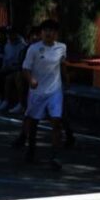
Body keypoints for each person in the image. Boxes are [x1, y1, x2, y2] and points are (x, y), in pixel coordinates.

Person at [20, 19, 67, 170]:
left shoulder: (61, 48)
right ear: (41, 32)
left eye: (52, 31)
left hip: (55, 90)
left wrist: (67, 79)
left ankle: (55, 156)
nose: (48, 33)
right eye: (46, 30)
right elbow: (25, 69)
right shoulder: (33, 49)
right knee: (34, 121)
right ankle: (31, 149)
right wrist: (31, 80)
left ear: (56, 34)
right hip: (37, 91)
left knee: (56, 121)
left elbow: (62, 64)